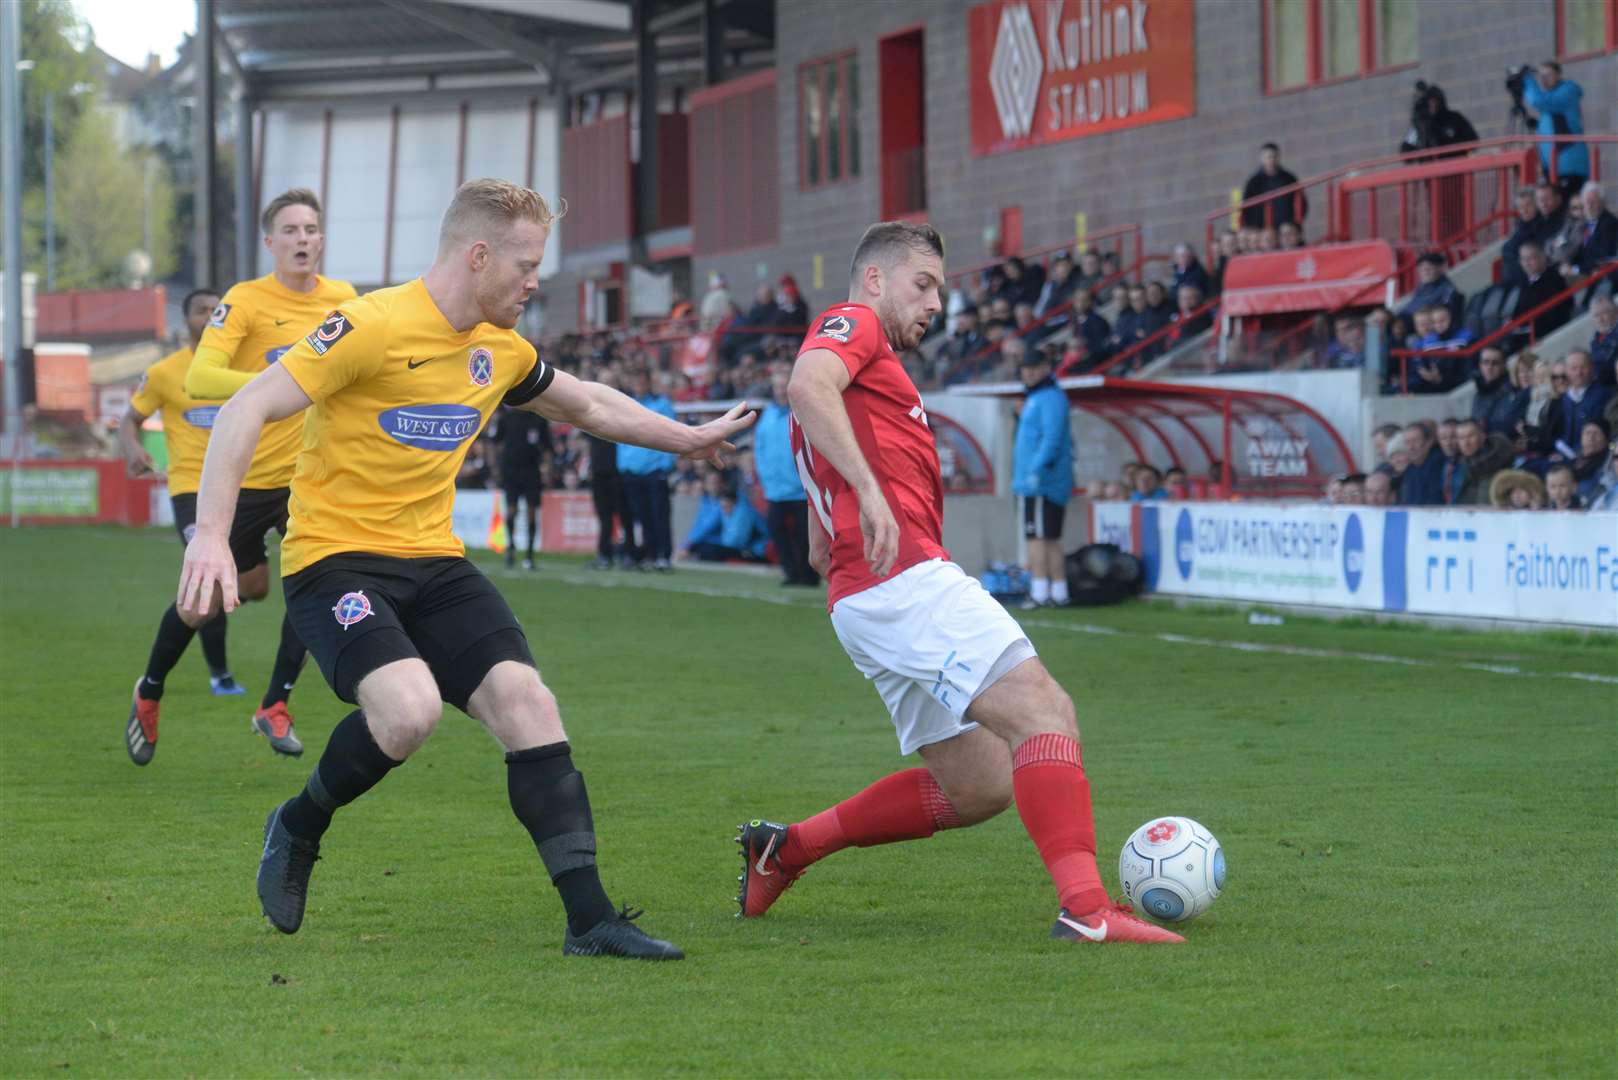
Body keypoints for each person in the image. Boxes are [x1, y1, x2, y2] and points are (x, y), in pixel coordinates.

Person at [177, 178, 754, 956]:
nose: (533, 281)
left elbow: (586, 404)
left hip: (436, 565)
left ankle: (591, 921)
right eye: (525, 263)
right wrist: (211, 534)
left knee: (529, 703)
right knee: (408, 711)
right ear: (478, 254)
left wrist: (686, 438)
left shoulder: (500, 349)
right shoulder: (369, 326)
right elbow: (246, 406)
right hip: (334, 564)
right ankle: (299, 823)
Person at [732, 221, 1182, 945]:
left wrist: (849, 518)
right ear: (874, 280)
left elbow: (818, 532)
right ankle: (1089, 911)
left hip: (863, 593)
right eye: (924, 284)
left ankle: (787, 849)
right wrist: (873, 498)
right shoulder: (850, 326)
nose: (938, 303)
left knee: (979, 786)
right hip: (902, 578)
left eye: (941, 289)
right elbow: (807, 383)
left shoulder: (863, 376)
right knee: (1044, 711)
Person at [165, 188, 359, 761]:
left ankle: (275, 704)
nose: (304, 239)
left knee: (314, 582)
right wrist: (287, 384)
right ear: (270, 242)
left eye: (312, 229)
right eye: (292, 230)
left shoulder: (345, 300)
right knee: (220, 593)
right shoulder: (246, 300)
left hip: (311, 478)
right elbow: (200, 379)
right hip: (248, 477)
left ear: (322, 239)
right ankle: (151, 687)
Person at [118, 287, 242, 762]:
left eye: (217, 311)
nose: (210, 317)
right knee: (207, 584)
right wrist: (133, 450)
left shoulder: (240, 369)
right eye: (201, 310)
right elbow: (130, 420)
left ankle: (251, 685)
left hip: (248, 489)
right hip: (192, 491)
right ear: (186, 318)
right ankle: (185, 682)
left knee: (252, 584)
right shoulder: (166, 373)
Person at [1011, 347, 1073, 610]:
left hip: (1040, 483)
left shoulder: (1048, 398)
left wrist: (1035, 471)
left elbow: (1052, 438)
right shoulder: (1041, 397)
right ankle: (1058, 592)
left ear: (1047, 368)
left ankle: (1039, 591)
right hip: (1044, 480)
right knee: (1049, 538)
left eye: (1034, 367)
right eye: (1026, 368)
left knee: (1036, 538)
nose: (1029, 372)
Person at [756, 362, 819, 586]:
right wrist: (764, 475)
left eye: (784, 385)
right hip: (775, 489)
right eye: (777, 386)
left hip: (800, 488)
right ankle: (791, 573)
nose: (781, 390)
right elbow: (760, 448)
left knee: (805, 536)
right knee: (777, 531)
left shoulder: (802, 411)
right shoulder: (768, 415)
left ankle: (808, 575)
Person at [618, 369, 677, 571]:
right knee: (642, 516)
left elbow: (672, 432)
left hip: (655, 469)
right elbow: (620, 433)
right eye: (636, 382)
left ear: (648, 383)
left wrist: (666, 464)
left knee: (659, 515)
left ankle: (664, 556)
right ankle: (650, 555)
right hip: (632, 470)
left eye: (642, 382)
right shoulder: (626, 404)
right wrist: (623, 464)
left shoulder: (661, 404)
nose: (639, 386)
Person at [490, 404, 551, 571]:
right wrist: (495, 466)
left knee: (532, 513)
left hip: (532, 471)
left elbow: (547, 448)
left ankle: (530, 554)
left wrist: (547, 470)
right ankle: (511, 547)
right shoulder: (506, 418)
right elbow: (495, 442)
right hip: (510, 471)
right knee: (512, 510)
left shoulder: (538, 419)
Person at [1522, 62, 1587, 200]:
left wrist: (1527, 79)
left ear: (1559, 75)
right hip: (1553, 167)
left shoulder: (1568, 90)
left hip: (1570, 167)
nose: (1544, 79)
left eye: (1548, 75)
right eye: (1542, 76)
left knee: (1568, 210)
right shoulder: (1551, 99)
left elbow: (1539, 101)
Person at [680, 476, 769, 562]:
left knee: (710, 550)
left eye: (727, 507)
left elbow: (735, 542)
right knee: (704, 547)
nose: (724, 510)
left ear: (734, 504)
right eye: (722, 507)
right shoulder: (731, 512)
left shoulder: (744, 513)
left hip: (753, 552)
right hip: (742, 549)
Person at [1553, 350, 1613, 458]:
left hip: (1589, 456)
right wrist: (1559, 453)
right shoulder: (1566, 398)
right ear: (1567, 371)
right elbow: (1565, 433)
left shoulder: (1601, 395)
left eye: (1583, 367)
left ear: (1592, 368)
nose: (1579, 373)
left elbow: (1595, 436)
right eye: (1574, 368)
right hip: (1566, 453)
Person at [1241, 142, 1304, 229]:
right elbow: (1246, 208)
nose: (1272, 160)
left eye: (1274, 156)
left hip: (1285, 230)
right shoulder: (1253, 182)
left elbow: (1301, 201)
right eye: (1268, 157)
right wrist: (1254, 227)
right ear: (1262, 159)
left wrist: (1294, 224)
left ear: (1279, 157)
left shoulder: (1289, 178)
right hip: (1262, 231)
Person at [1471, 347, 1525, 440]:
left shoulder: (1515, 389)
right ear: (1480, 365)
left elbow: (1511, 425)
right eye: (1485, 362)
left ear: (1504, 365)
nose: (1489, 367)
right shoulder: (1478, 394)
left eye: (1495, 363)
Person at [1399, 253, 1465, 327]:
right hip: (1406, 320)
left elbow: (1444, 316)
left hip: (1422, 326)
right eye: (1421, 269)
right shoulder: (1421, 286)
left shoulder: (1448, 289)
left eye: (1428, 269)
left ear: (1440, 268)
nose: (1425, 272)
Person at [1567, 183, 1618, 276]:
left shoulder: (1609, 223)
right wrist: (1568, 265)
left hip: (1597, 276)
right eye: (1587, 202)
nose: (1589, 206)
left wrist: (1576, 269)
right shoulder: (1584, 223)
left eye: (1593, 202)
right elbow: (1579, 251)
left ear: (1603, 203)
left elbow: (1603, 257)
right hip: (1582, 272)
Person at [1397, 422, 1446, 505]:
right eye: (1407, 442)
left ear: (1429, 442)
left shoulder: (1440, 464)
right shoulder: (1409, 469)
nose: (1411, 447)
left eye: (1415, 441)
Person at [1588, 294, 1618, 388]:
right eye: (1596, 315)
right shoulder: (1595, 343)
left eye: (1604, 313)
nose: (1600, 319)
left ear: (1616, 312)